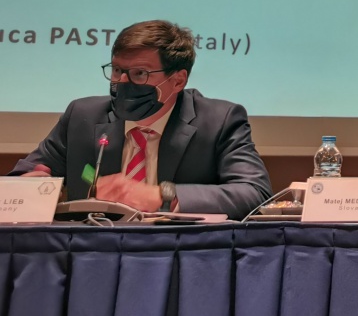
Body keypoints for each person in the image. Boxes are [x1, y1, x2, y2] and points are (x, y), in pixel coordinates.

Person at [11, 20, 272, 219]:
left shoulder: (218, 121)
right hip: (91, 252)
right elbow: (28, 174)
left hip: (176, 254)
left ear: (178, 80)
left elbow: (254, 192)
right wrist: (28, 185)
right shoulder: (83, 116)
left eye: (139, 74)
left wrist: (162, 196)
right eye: (117, 70)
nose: (122, 82)